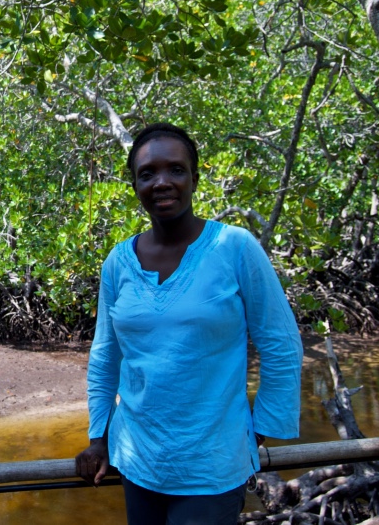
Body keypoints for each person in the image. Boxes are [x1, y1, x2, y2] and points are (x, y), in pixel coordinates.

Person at [75, 122, 303, 524]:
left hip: (212, 465)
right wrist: (98, 439)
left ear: (195, 179)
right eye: (147, 173)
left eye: (175, 170)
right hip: (137, 457)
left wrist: (258, 429)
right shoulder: (118, 262)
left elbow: (281, 343)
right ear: (134, 185)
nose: (162, 182)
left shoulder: (235, 247)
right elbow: (105, 356)